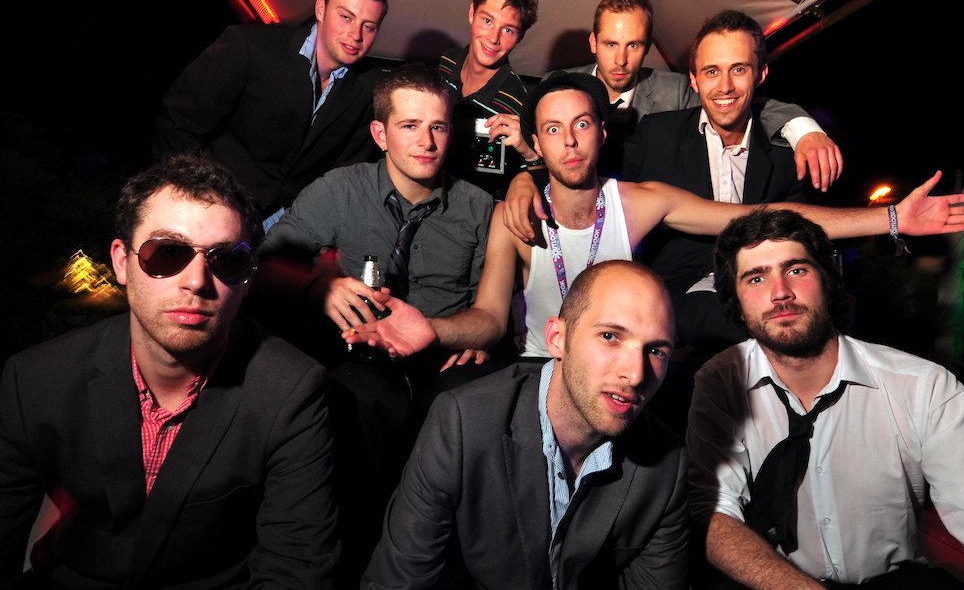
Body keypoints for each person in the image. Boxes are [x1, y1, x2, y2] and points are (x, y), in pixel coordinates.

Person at [346, 72, 964, 372]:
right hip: (540, 374)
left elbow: (765, 218)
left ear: (602, 132)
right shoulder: (514, 215)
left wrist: (891, 218)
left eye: (582, 124)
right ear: (535, 145)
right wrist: (432, 329)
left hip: (623, 380)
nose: (570, 141)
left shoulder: (641, 201)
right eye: (553, 130)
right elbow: (490, 317)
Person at [0, 153, 339, 588]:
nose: (196, 280)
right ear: (121, 262)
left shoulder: (290, 391)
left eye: (226, 260)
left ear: (247, 280)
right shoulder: (36, 380)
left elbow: (294, 569)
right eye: (167, 253)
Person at [686, 208, 964, 589]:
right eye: (756, 278)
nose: (780, 292)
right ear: (735, 301)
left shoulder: (925, 388)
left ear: (828, 280)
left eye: (796, 269)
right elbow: (712, 511)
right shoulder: (720, 383)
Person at [251, 61, 495, 587]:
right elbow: (265, 265)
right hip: (360, 359)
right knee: (352, 404)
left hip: (441, 363)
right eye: (410, 126)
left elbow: (490, 310)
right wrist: (317, 288)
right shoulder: (341, 189)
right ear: (380, 134)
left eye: (438, 126)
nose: (426, 141)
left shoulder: (477, 207)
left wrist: (470, 335)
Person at [361, 260, 690, 589]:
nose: (635, 374)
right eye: (610, 336)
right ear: (557, 338)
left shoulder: (667, 464)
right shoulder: (463, 423)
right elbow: (397, 582)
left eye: (656, 351)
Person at [625, 9, 816, 358]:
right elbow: (601, 197)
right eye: (712, 71)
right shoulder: (655, 136)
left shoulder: (787, 154)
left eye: (738, 69)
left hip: (764, 291)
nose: (725, 86)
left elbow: (798, 240)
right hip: (677, 306)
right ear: (694, 79)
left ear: (761, 74)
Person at [152, 0, 388, 230]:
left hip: (288, 226)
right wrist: (188, 195)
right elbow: (178, 122)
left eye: (369, 27)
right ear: (321, 9)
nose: (356, 35)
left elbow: (346, 176)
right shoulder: (250, 46)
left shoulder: (370, 86)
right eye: (346, 17)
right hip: (212, 206)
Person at [543, 0, 841, 188]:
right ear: (593, 42)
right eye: (611, 44)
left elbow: (735, 103)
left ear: (647, 46)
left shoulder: (674, 90)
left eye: (633, 45)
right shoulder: (557, 86)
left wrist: (803, 130)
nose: (621, 59)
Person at [437, 0, 542, 198]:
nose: (494, 38)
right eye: (487, 21)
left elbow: (532, 184)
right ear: (471, 13)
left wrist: (531, 156)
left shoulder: (519, 105)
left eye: (508, 30)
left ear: (520, 36)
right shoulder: (446, 62)